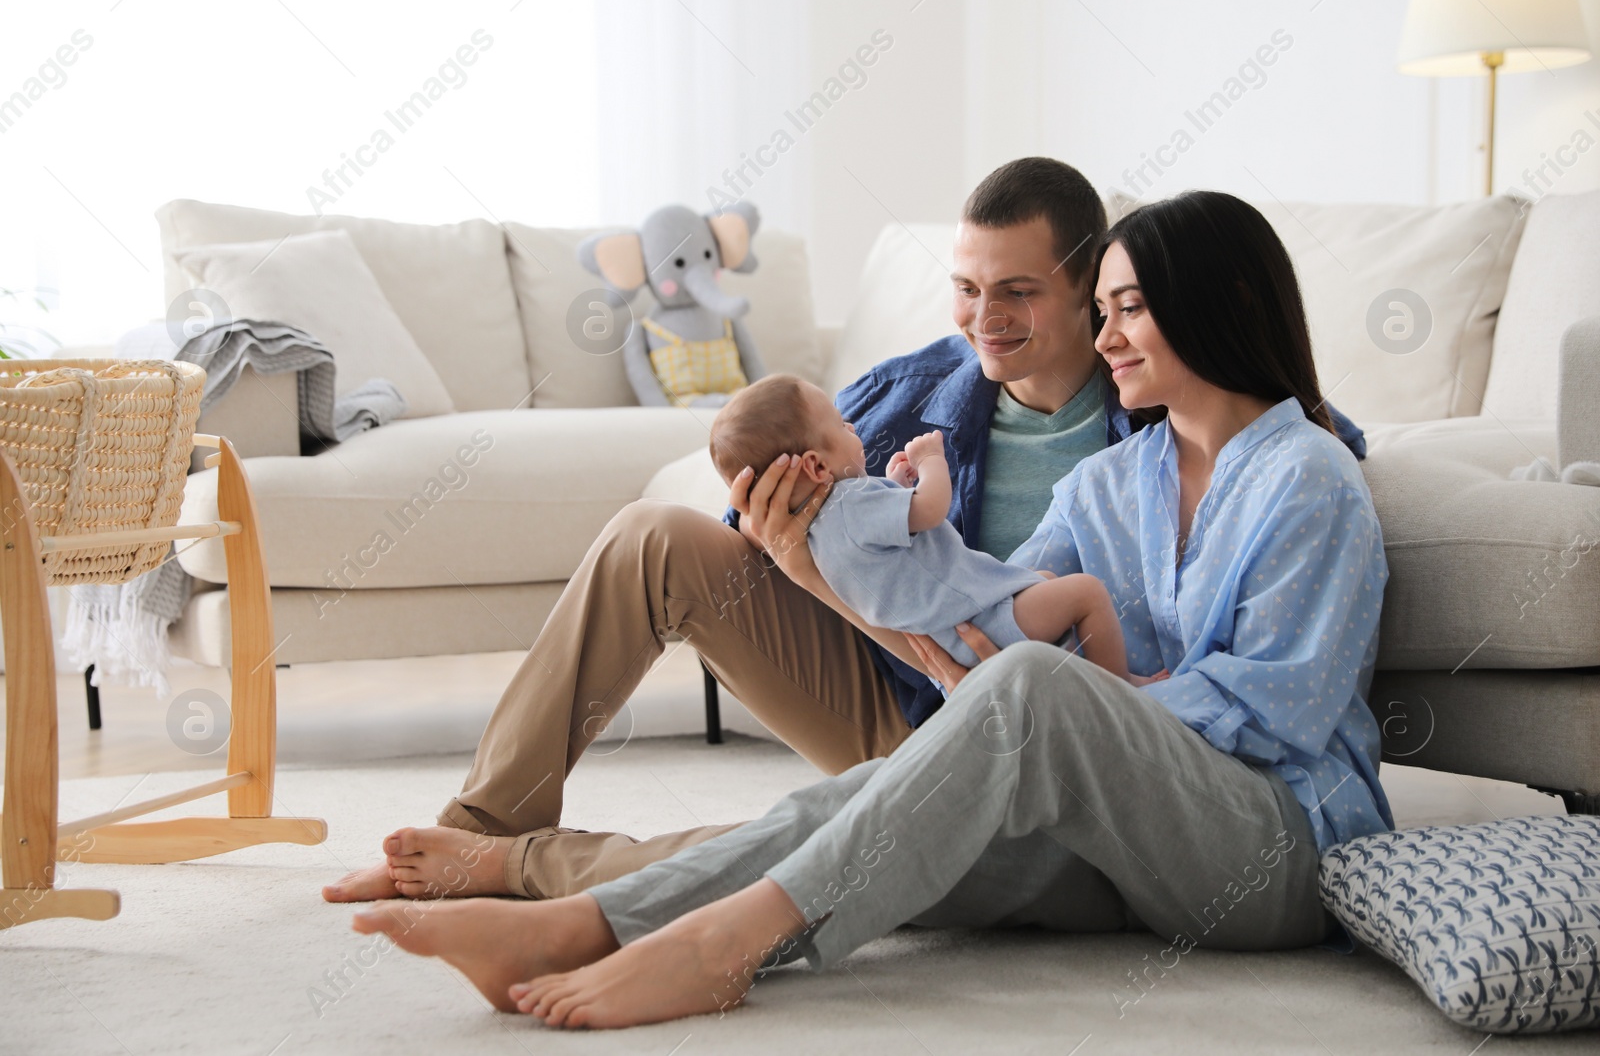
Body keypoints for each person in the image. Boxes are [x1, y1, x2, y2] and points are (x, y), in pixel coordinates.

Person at [350, 189, 1396, 1030]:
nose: (1109, 332)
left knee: (1021, 696)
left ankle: (726, 943)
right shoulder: (1103, 486)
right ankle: (574, 919)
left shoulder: (1307, 475)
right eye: (1110, 307)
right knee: (844, 809)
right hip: (1092, 815)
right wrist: (943, 656)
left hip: (1271, 845)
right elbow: (992, 629)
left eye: (1127, 307)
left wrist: (1084, 702)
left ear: (1209, 307)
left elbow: (1283, 709)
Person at [707, 373, 1165, 684]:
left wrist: (897, 484)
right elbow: (929, 511)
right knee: (1085, 593)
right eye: (841, 425)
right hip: (984, 621)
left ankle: (1095, 681)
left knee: (1044, 583)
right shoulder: (853, 501)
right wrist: (930, 463)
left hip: (953, 643)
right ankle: (1122, 691)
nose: (852, 425)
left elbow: (895, 551)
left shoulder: (818, 532)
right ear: (815, 465)